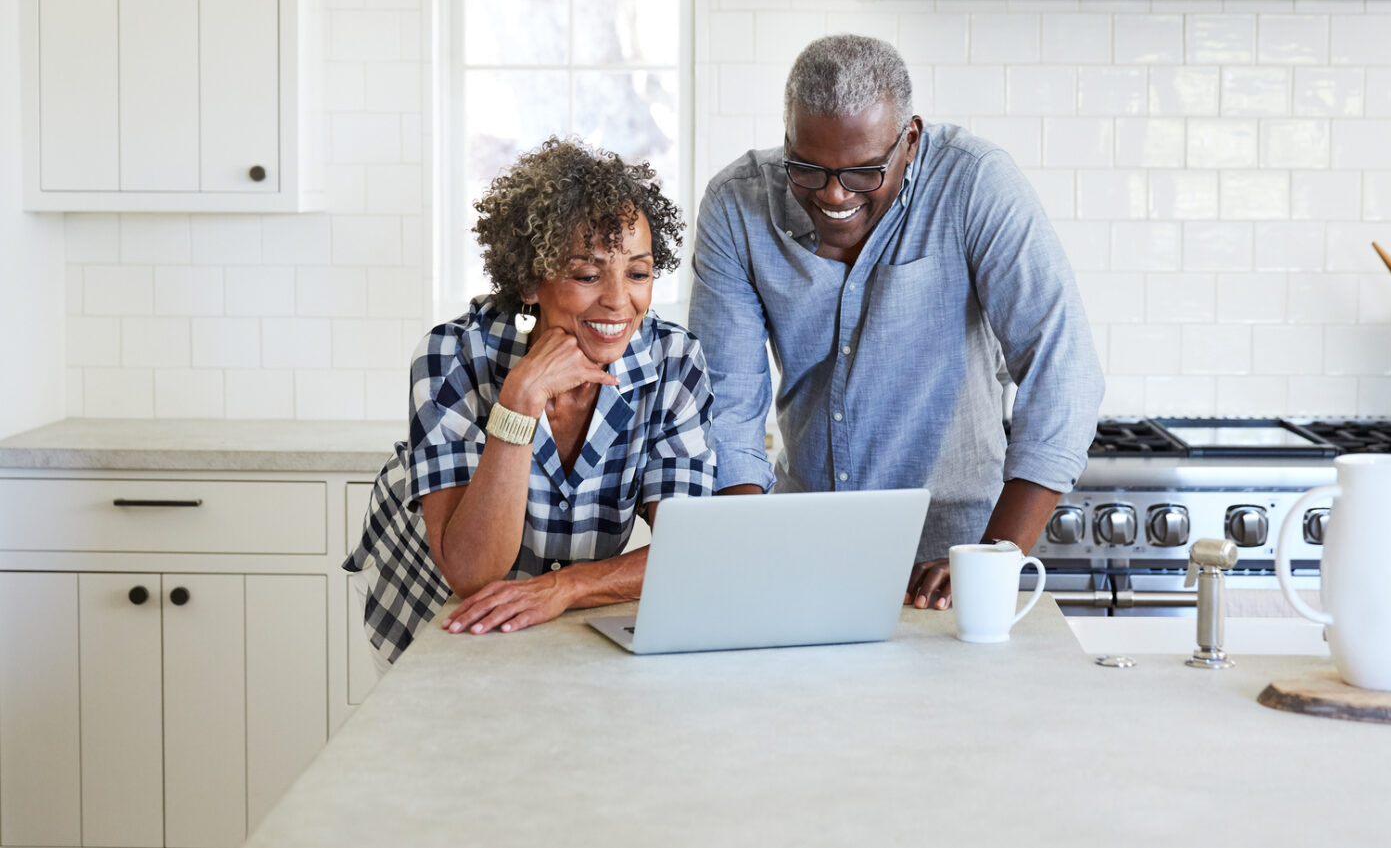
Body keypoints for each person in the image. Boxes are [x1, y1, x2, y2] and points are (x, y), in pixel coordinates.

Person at [689, 34, 1102, 610]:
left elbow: (1064, 372)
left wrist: (994, 556)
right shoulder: (738, 205)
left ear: (909, 139)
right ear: (787, 139)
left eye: (862, 173)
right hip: (803, 549)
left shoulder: (975, 184)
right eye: (808, 169)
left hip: (957, 559)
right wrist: (746, 550)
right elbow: (728, 407)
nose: (834, 194)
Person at [345, 138, 716, 663]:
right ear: (528, 280)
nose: (617, 300)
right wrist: (519, 402)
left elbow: (692, 551)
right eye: (587, 275)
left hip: (572, 616)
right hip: (434, 612)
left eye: (638, 272)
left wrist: (565, 588)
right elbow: (472, 574)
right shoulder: (453, 353)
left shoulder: (674, 361)